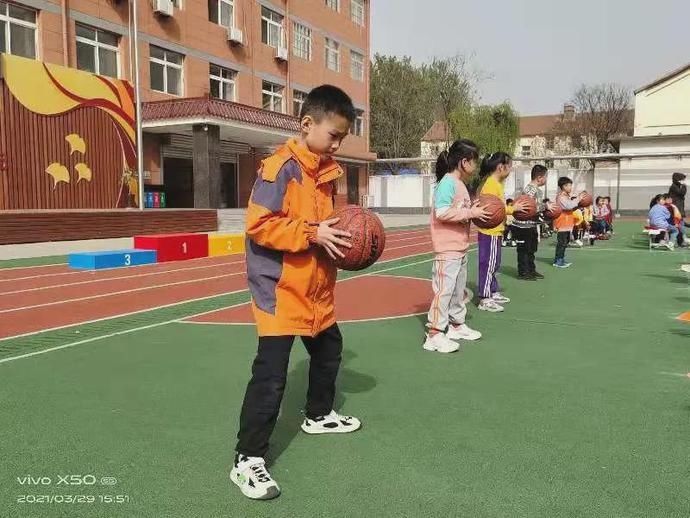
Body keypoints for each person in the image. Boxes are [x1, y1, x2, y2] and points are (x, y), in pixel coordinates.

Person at [231, 85, 362, 500]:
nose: (338, 144)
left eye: (343, 137)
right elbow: (260, 225)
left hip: (316, 287)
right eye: (334, 135)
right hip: (280, 288)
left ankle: (318, 414)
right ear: (307, 124)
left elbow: (326, 225)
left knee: (329, 349)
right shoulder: (280, 167)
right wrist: (312, 232)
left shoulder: (327, 171)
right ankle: (247, 459)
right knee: (271, 376)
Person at [424, 139, 488, 353]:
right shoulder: (447, 183)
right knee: (444, 291)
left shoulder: (461, 185)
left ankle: (456, 325)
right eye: (474, 162)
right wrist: (471, 212)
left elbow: (461, 210)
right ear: (464, 162)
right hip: (446, 248)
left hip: (460, 247)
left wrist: (474, 209)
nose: (476, 166)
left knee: (458, 291)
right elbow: (442, 212)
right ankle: (434, 334)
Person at [475, 152, 529, 312]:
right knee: (488, 264)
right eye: (509, 166)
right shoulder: (490, 184)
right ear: (501, 167)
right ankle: (485, 298)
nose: (511, 169)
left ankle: (492, 290)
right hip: (489, 231)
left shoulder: (497, 183)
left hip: (497, 230)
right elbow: (492, 209)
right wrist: (514, 209)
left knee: (495, 263)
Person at [511, 165, 549, 280]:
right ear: (539, 177)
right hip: (522, 225)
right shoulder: (529, 190)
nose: (546, 179)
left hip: (531, 224)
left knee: (532, 248)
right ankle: (523, 272)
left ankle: (531, 270)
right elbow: (528, 207)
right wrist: (545, 206)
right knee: (524, 249)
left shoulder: (538, 190)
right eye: (546, 176)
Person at [553, 177, 584, 268]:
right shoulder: (561, 197)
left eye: (571, 185)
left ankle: (561, 259)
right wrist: (578, 199)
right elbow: (568, 206)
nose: (570, 187)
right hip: (562, 223)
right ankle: (558, 261)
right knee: (561, 243)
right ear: (563, 186)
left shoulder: (566, 196)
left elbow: (571, 207)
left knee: (565, 242)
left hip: (567, 223)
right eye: (568, 185)